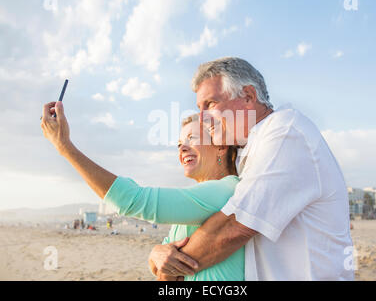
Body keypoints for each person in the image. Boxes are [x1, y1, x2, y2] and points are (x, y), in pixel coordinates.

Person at [148, 57, 355, 281]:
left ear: (248, 96)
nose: (203, 118)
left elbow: (234, 227)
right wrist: (158, 253)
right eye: (199, 108)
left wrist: (168, 269)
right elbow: (208, 219)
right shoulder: (247, 153)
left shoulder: (285, 130)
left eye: (210, 104)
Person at [40, 107, 244, 281]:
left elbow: (132, 200)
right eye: (179, 143)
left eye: (192, 138)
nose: (182, 147)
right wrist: (156, 253)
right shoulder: (197, 204)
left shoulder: (226, 190)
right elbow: (160, 261)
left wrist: (64, 146)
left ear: (221, 146)